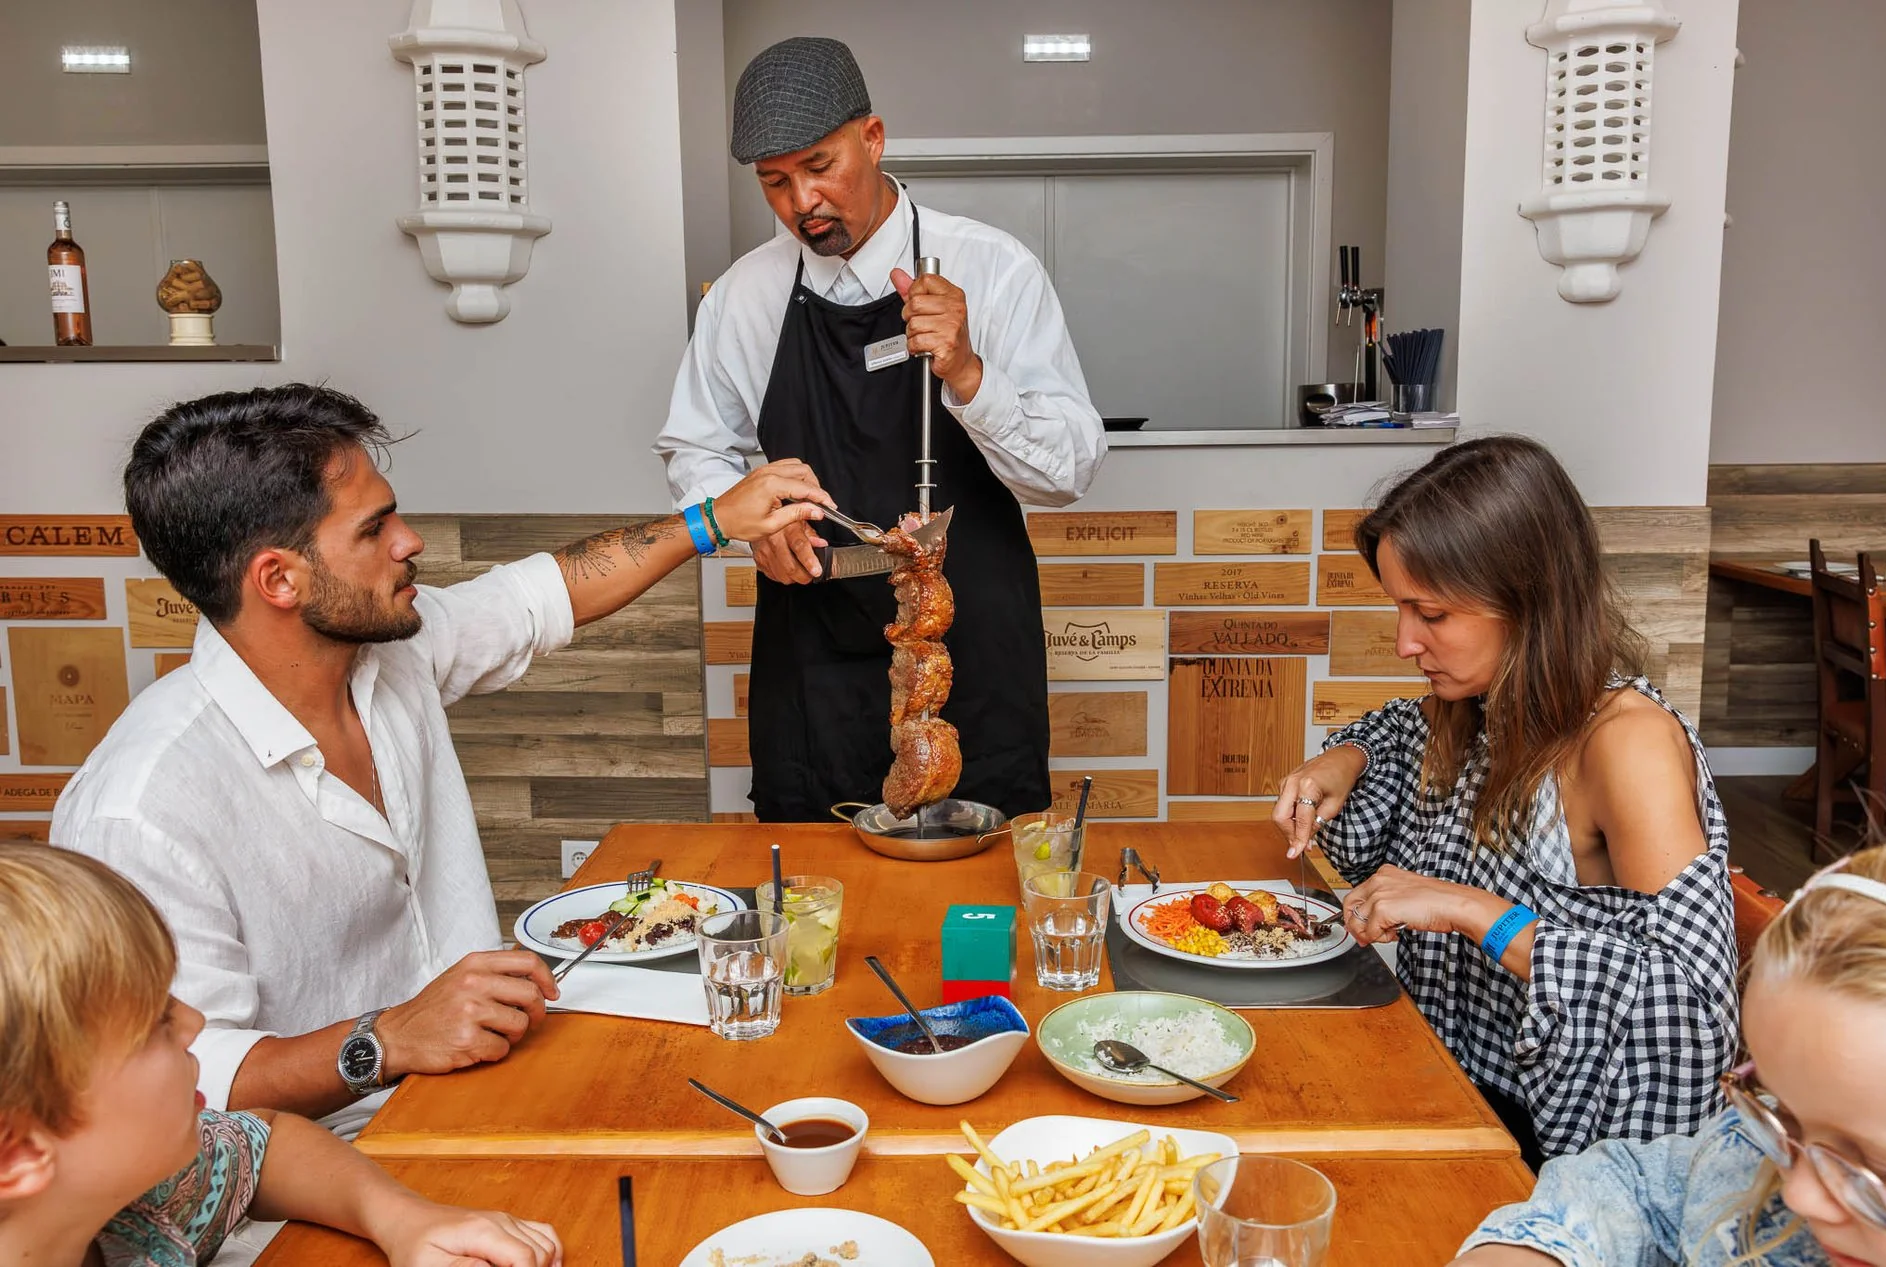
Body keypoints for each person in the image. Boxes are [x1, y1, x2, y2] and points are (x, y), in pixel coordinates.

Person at [53, 384, 831, 1151]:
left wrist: (713, 519)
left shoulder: (392, 650)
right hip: (316, 1178)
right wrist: (386, 1039)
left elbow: (539, 597)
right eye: (374, 529)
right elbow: (187, 1078)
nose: (410, 541)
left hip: (486, 1094)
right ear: (278, 579)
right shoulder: (143, 809)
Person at [654, 36, 1106, 822]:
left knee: (975, 883)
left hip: (972, 653)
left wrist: (968, 371)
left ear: (873, 138)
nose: (802, 202)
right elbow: (695, 446)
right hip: (814, 657)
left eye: (819, 166)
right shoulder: (742, 298)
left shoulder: (995, 269)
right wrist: (746, 522)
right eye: (775, 182)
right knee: (812, 883)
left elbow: (1069, 471)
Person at [1274, 435, 1737, 1166]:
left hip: (1551, 1153)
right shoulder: (1481, 704)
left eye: (1431, 614)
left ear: (1526, 602)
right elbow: (1395, 729)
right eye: (1400, 608)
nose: (1404, 642)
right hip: (1446, 1076)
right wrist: (1345, 756)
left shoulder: (1626, 744)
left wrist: (1471, 910)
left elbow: (1689, 1010)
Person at [0, 844, 562, 1267]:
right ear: (18, 1153)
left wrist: (405, 1219)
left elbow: (265, 1143)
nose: (193, 1022)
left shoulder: (140, 1199)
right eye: (151, 1026)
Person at [1452, 838, 1886, 1267]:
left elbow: (1678, 1007)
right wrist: (1541, 1249)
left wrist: (1489, 921)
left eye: (1883, 1169)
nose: (1798, 1195)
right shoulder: (1746, 1154)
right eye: (1778, 1111)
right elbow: (1647, 1190)